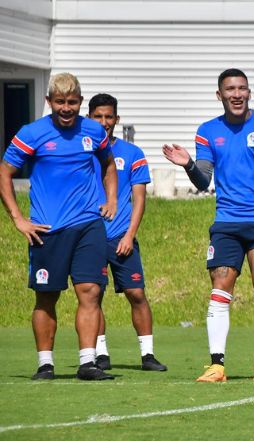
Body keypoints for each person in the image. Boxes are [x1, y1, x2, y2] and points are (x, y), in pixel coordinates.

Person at [163, 68, 254, 382]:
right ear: (220, 95)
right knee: (219, 291)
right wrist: (189, 164)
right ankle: (217, 365)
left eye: (242, 88)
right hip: (226, 223)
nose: (237, 94)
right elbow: (203, 180)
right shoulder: (207, 131)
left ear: (249, 92)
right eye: (230, 89)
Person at [0, 73, 118, 381]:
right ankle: (45, 364)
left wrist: (112, 198)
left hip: (88, 224)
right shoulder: (31, 133)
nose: (67, 108)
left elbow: (108, 163)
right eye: (61, 102)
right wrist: (18, 218)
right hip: (47, 229)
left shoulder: (93, 130)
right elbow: (4, 172)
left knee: (90, 291)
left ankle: (88, 363)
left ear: (81, 101)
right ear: (49, 101)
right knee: (47, 297)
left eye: (73, 102)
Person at [87, 93, 167, 372]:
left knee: (136, 293)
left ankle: (147, 355)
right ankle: (101, 353)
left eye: (109, 117)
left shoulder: (133, 154)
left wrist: (129, 235)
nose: (104, 122)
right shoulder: (81, 152)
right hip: (90, 237)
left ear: (116, 120)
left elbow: (139, 199)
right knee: (92, 296)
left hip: (121, 235)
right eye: (98, 116)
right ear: (89, 118)